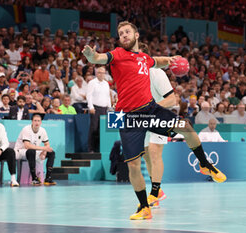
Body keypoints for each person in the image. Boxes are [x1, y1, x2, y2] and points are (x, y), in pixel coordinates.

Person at [82, 21, 226, 220]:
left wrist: (170, 59)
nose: (123, 35)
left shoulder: (143, 58)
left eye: (127, 32)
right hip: (129, 117)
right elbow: (99, 57)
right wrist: (91, 56)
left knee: (186, 127)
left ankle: (204, 164)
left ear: (136, 35)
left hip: (150, 110)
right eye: (120, 33)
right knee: (133, 165)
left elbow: (154, 61)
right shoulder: (117, 54)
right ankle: (144, 207)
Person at [138, 42, 176, 208]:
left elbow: (172, 99)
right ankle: (158, 191)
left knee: (154, 152)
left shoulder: (157, 73)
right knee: (146, 155)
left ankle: (154, 193)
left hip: (160, 116)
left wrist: (153, 109)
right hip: (143, 118)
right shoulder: (134, 75)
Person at [14, 113, 56, 186]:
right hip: (21, 151)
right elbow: (27, 146)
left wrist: (44, 152)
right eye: (35, 120)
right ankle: (34, 178)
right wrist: (43, 148)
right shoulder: (26, 129)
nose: (37, 122)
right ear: (32, 121)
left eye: (38, 121)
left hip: (35, 151)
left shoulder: (43, 130)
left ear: (41, 122)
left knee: (51, 152)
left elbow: (47, 144)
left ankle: (48, 178)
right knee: (31, 151)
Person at [86, 66, 111, 152]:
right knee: (94, 129)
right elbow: (88, 95)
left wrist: (109, 107)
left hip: (104, 109)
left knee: (102, 130)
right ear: (97, 73)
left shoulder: (106, 84)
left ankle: (100, 148)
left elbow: (108, 96)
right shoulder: (92, 83)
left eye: (103, 73)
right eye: (100, 72)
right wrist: (91, 107)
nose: (102, 74)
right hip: (95, 108)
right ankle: (91, 148)